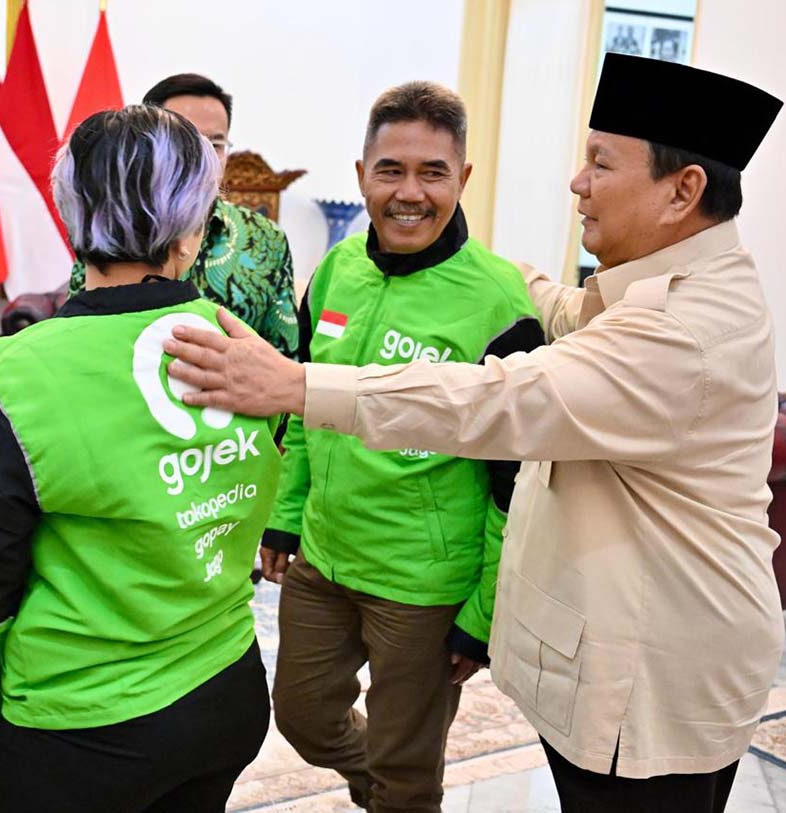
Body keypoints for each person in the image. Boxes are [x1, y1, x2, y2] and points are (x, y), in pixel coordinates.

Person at [164, 53, 784, 813]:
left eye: (599, 163)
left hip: (654, 669)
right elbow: (564, 308)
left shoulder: (683, 332)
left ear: (682, 190)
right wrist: (459, 260)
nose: (577, 183)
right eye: (390, 171)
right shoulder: (655, 288)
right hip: (597, 649)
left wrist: (296, 384)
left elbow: (499, 399)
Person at [0, 105, 282, 812]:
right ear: (192, 233)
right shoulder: (249, 351)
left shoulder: (22, 369)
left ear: (73, 219)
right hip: (225, 693)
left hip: (82, 732)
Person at [260, 82, 543, 813]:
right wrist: (285, 516)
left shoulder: (500, 300)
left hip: (422, 584)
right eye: (390, 170)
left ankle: (397, 789)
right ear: (360, 175)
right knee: (301, 715)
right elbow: (303, 404)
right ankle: (379, 783)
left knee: (408, 769)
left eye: (432, 172)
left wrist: (481, 613)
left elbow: (516, 477)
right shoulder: (334, 270)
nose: (408, 193)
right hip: (324, 556)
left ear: (464, 179)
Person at [68, 73, 300, 358]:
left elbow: (283, 354)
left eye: (216, 144)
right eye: (186, 143)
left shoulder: (265, 238)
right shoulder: (111, 226)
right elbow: (79, 324)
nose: (203, 159)